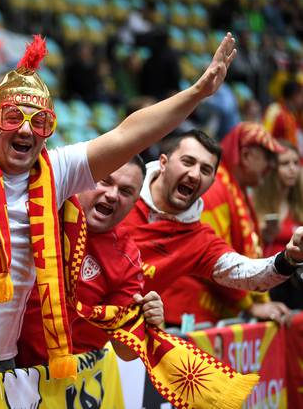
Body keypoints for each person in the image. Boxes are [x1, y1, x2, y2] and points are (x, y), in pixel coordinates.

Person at [0, 33, 237, 377]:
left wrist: (197, 93)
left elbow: (126, 135)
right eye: (13, 117)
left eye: (39, 122)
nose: (26, 130)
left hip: (5, 364)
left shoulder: (54, 173)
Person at [120, 129, 303, 328]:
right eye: (187, 161)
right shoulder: (120, 192)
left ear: (211, 182)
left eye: (205, 170)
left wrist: (288, 258)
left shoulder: (198, 238)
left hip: (126, 336)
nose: (194, 174)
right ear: (163, 162)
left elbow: (247, 274)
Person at [16, 156, 164, 367]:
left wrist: (150, 321)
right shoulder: (41, 205)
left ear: (134, 204)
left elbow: (128, 351)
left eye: (125, 191)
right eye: (105, 181)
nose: (112, 195)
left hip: (54, 381)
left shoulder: (127, 260)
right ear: (83, 179)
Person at [162, 123, 290, 325]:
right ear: (246, 156)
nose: (272, 166)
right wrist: (251, 306)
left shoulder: (233, 187)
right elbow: (214, 260)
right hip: (187, 318)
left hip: (207, 316)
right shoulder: (215, 189)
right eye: (268, 158)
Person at [254, 140, 303, 309]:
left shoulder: (299, 206)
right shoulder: (256, 204)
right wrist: (262, 233)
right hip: (267, 282)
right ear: (272, 168)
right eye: (285, 163)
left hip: (297, 283)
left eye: (296, 163)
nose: (292, 169)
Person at [264, 80, 303, 152]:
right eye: (302, 95)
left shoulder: (294, 114)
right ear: (295, 95)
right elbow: (266, 138)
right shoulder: (274, 110)